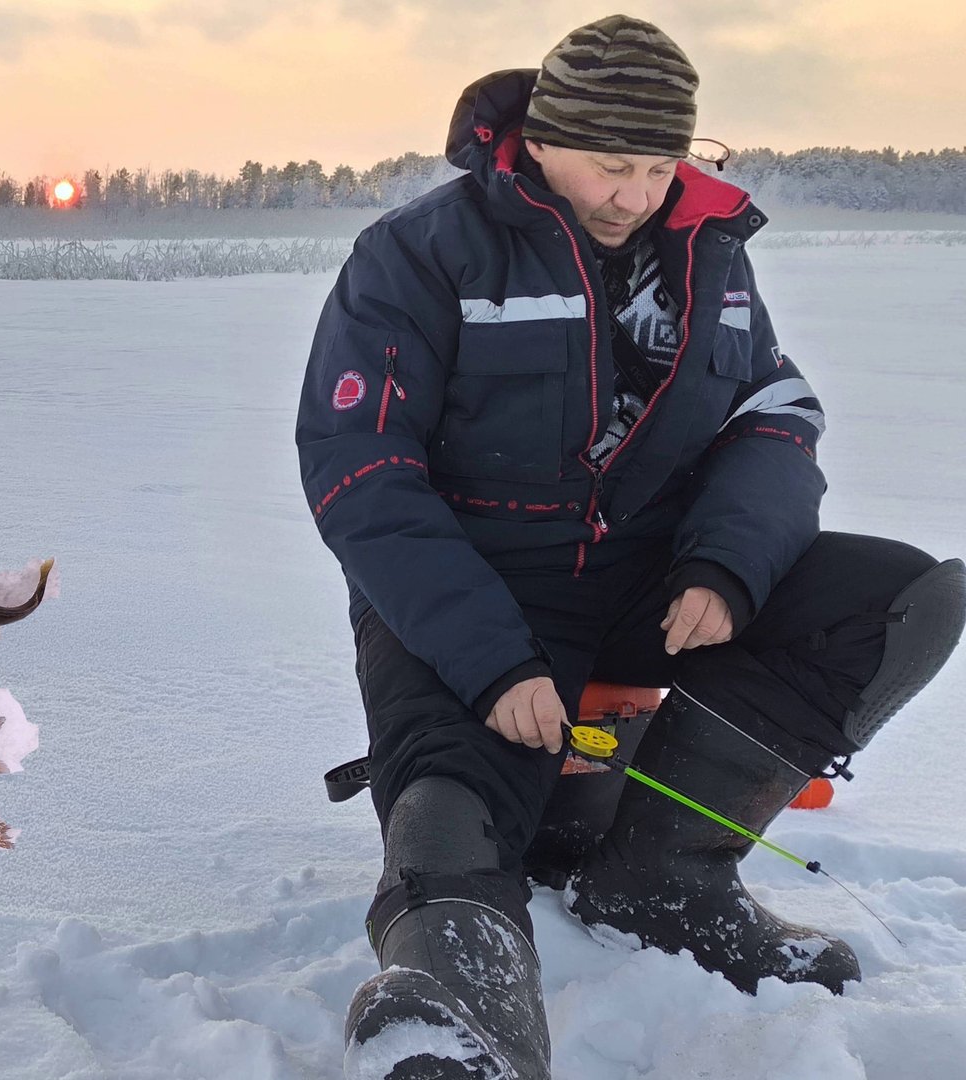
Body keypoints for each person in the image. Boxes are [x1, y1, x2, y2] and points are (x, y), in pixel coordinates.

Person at [295, 14, 965, 1079]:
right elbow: (360, 466)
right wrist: (491, 658)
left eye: (664, 165)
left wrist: (726, 567)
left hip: (643, 578)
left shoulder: (709, 258)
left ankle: (667, 879)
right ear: (544, 139)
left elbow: (776, 413)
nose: (637, 195)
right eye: (614, 164)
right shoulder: (421, 254)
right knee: (445, 815)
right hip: (475, 593)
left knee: (907, 597)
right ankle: (457, 1019)